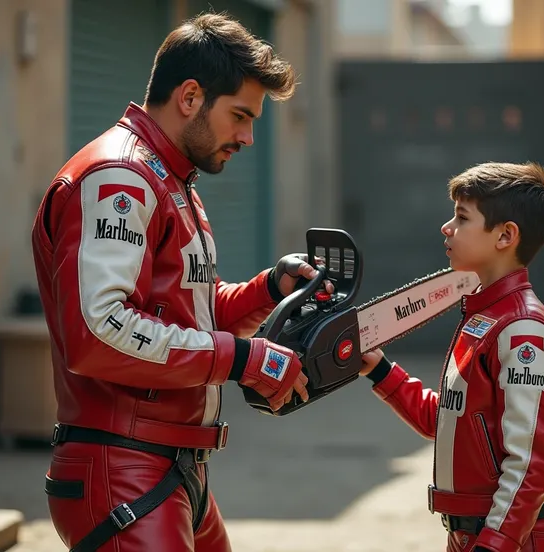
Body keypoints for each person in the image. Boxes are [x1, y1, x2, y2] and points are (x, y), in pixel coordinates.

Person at [31, 13, 332, 552]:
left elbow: (187, 314)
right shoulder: (120, 178)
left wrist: (269, 289)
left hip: (173, 468)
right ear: (190, 96)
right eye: (240, 115)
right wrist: (243, 360)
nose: (248, 136)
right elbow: (99, 329)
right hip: (123, 468)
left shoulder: (172, 179)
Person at [359, 162, 544, 552]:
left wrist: (494, 544)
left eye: (461, 217)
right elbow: (448, 420)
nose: (447, 227)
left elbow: (529, 466)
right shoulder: (485, 316)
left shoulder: (523, 330)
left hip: (511, 539)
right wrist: (381, 371)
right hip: (469, 534)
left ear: (506, 236)